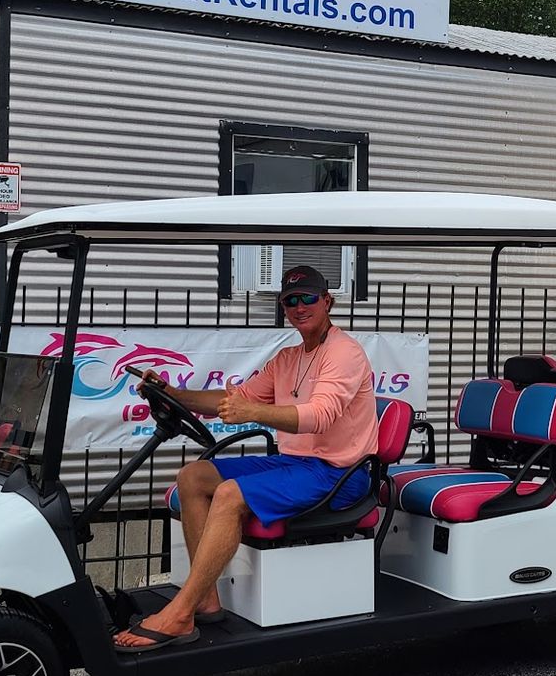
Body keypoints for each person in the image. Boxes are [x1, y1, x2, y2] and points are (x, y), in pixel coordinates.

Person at [112, 265, 377, 651]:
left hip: (340, 473)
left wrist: (253, 413)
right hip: (298, 465)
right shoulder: (288, 359)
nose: (299, 306)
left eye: (308, 298)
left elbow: (319, 416)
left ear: (327, 301)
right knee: (194, 476)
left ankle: (181, 613)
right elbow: (230, 402)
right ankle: (205, 599)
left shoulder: (344, 353)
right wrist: (172, 393)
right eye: (290, 301)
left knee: (230, 494)